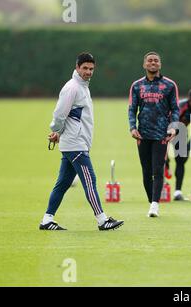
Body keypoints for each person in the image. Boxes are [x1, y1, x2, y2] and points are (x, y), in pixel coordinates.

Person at [41, 53, 124, 231]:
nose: (88, 72)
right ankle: (102, 220)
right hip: (75, 144)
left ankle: (47, 220)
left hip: (75, 142)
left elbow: (72, 117)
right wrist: (56, 131)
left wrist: (59, 134)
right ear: (77, 67)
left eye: (91, 69)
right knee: (89, 180)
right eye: (85, 68)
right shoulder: (72, 88)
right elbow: (59, 115)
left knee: (63, 183)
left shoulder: (82, 86)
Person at [128, 51, 179, 217]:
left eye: (156, 61)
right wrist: (132, 127)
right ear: (144, 64)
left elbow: (175, 109)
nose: (153, 63)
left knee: (158, 169)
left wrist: (173, 128)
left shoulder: (170, 85)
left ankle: (155, 205)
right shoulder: (137, 86)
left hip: (161, 134)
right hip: (142, 135)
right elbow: (131, 109)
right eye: (150, 61)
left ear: (160, 64)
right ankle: (152, 201)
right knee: (145, 171)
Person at [165, 88, 191, 201]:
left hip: (182, 132)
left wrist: (189, 146)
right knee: (162, 159)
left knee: (181, 160)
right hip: (166, 128)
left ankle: (177, 192)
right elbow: (167, 122)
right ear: (190, 100)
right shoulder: (180, 107)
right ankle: (165, 165)